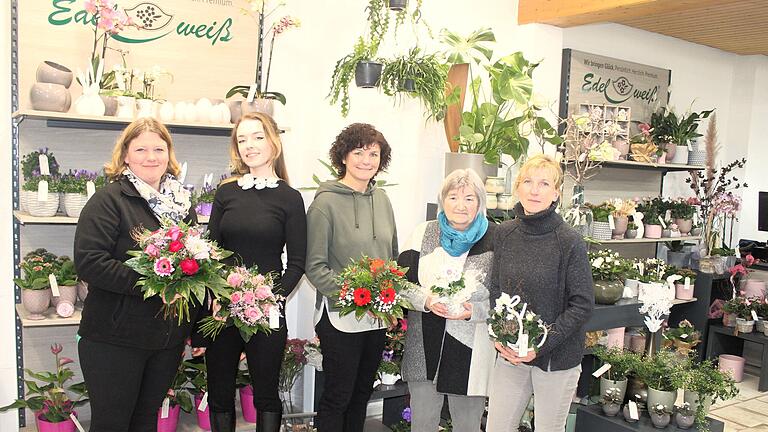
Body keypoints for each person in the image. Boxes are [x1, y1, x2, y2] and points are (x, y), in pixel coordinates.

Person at [74, 118, 202, 431]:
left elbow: (197, 267)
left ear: (168, 154)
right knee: (112, 425)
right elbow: (90, 262)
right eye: (141, 148)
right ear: (126, 155)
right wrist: (153, 283)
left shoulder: (181, 205)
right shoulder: (109, 200)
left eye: (159, 148)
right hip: (115, 339)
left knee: (145, 422)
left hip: (165, 341)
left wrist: (194, 326)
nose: (151, 156)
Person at [203, 112, 307, 432]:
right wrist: (219, 294)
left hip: (266, 310)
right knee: (220, 392)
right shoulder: (226, 192)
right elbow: (211, 251)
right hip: (223, 310)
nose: (249, 145)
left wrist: (270, 299)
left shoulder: (289, 198)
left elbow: (298, 263)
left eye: (257, 137)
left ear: (273, 141)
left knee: (266, 394)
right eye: (242, 139)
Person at [485, 154, 594, 432]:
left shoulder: (570, 241)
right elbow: (496, 289)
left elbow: (582, 305)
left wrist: (540, 346)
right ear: (518, 187)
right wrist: (500, 334)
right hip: (511, 357)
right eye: (529, 182)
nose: (535, 190)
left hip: (556, 360)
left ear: (556, 192)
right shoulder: (504, 234)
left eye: (544, 183)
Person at [305, 123, 397, 432]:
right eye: (358, 152)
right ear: (343, 156)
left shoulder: (382, 200)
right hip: (340, 316)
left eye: (374, 153)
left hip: (377, 318)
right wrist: (357, 296)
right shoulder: (324, 204)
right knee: (338, 397)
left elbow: (391, 257)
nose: (366, 160)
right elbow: (315, 267)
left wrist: (387, 301)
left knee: (361, 396)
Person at [397, 168, 496, 432]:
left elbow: (505, 296)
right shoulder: (423, 233)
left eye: (469, 198)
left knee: (467, 425)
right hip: (424, 345)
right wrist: (425, 300)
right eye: (453, 197)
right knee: (423, 424)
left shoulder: (495, 239)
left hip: (471, 349)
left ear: (480, 203)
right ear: (443, 200)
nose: (460, 206)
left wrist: (474, 310)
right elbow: (399, 283)